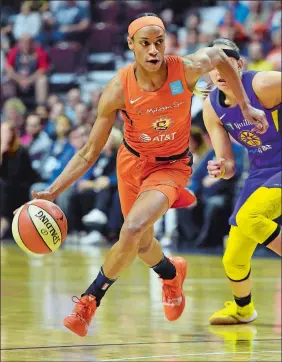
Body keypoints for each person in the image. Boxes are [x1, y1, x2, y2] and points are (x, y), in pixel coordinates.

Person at [29, 13, 267, 337]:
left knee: (133, 228)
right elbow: (87, 152)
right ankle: (170, 273)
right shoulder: (118, 88)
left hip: (171, 166)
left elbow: (219, 57)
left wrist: (244, 105)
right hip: (131, 163)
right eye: (145, 44)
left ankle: (89, 300)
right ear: (131, 45)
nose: (154, 51)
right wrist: (52, 190)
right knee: (141, 244)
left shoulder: (183, 69)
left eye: (159, 43)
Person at [202, 37, 281, 325]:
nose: (220, 70)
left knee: (251, 216)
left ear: (240, 65)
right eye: (213, 64)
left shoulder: (263, 84)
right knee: (232, 257)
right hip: (260, 171)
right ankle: (243, 309)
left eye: (226, 63)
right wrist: (220, 167)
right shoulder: (211, 107)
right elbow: (230, 165)